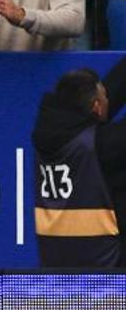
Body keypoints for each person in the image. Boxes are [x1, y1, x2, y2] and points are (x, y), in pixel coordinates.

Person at [32, 59, 126, 268]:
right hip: (109, 276)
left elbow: (107, 93)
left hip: (55, 274)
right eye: (104, 98)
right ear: (96, 107)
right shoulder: (104, 146)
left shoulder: (45, 135)